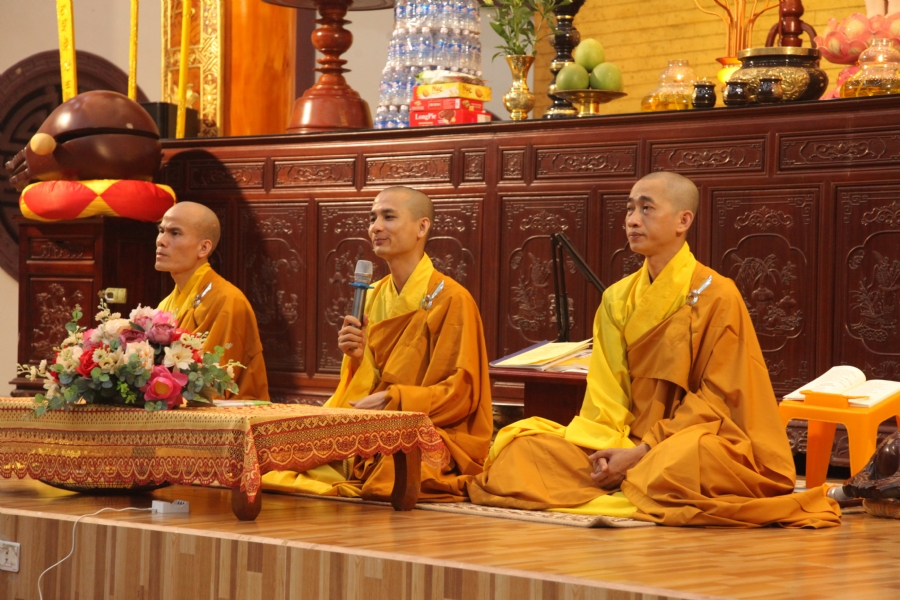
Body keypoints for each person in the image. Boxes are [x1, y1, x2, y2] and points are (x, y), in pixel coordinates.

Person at [468, 172, 842, 528]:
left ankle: (631, 477)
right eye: (630, 209)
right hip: (624, 442)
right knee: (520, 447)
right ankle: (625, 481)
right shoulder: (617, 298)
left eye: (646, 208)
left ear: (683, 220)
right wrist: (610, 449)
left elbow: (717, 398)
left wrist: (642, 451)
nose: (632, 220)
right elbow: (605, 395)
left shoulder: (717, 293)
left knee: (681, 463)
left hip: (689, 441)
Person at [262, 186, 493, 502]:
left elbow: (462, 393)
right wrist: (357, 358)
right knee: (286, 447)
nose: (375, 227)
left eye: (388, 217)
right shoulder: (371, 295)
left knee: (393, 471)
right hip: (374, 421)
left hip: (431, 427)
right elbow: (360, 388)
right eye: (372, 218)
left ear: (422, 227)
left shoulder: (452, 299)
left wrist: (397, 399)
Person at [155, 201, 269, 400]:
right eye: (161, 230)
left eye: (175, 233)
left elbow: (213, 385)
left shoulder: (227, 300)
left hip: (228, 422)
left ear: (203, 248)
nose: (161, 241)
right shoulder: (165, 305)